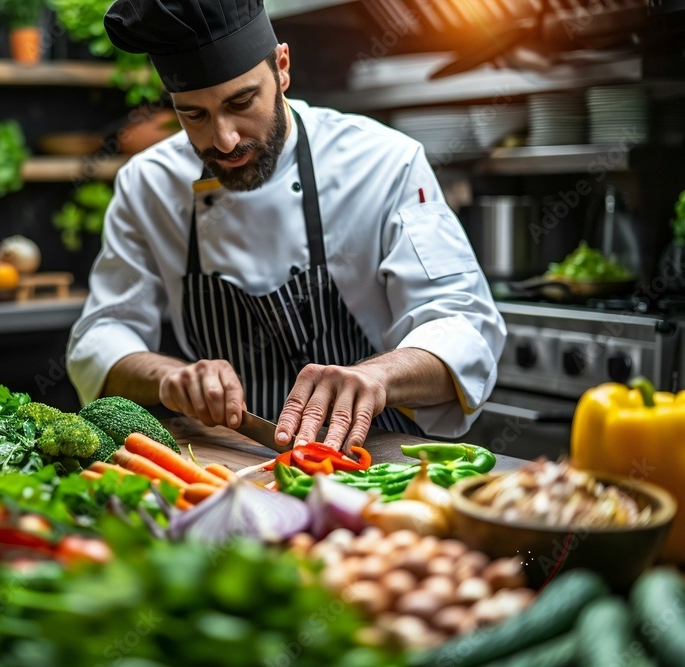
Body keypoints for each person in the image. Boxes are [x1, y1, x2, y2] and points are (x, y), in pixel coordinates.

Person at [66, 0, 506, 453]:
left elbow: (463, 325)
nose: (225, 139)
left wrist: (377, 376)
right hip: (231, 461)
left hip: (372, 459)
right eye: (193, 114)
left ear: (282, 67)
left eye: (241, 102)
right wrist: (170, 378)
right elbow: (101, 334)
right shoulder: (149, 183)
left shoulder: (386, 163)